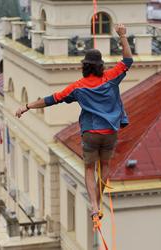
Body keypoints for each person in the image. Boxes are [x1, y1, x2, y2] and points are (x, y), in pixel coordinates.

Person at [15, 24, 133, 229]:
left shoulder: (77, 87)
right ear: (100, 66)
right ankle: (99, 202)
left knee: (89, 168)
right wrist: (122, 35)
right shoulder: (111, 78)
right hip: (110, 132)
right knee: (104, 166)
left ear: (84, 67)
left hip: (90, 133)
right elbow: (128, 60)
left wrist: (27, 106)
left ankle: (94, 206)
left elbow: (52, 99)